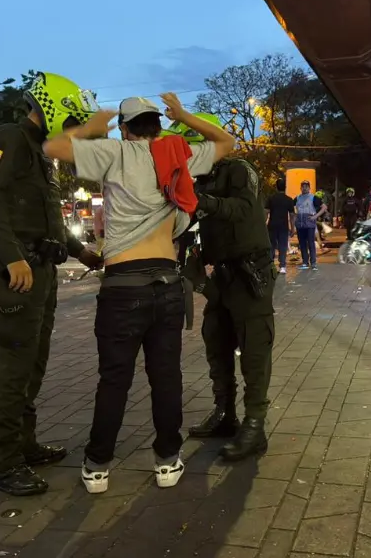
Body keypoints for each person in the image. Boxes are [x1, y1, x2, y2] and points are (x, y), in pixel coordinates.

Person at [43, 93, 235, 493]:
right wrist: (185, 116)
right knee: (166, 377)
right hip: (166, 282)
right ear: (159, 126)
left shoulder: (115, 153)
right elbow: (225, 143)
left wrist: (94, 129)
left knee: (114, 380)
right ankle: (167, 461)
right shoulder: (178, 154)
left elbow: (53, 147)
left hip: (122, 287)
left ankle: (97, 467)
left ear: (127, 128)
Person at [0, 71, 104, 497]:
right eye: (71, 123)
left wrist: (82, 253)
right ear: (52, 108)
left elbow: (47, 220)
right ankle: (4, 463)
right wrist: (12, 257)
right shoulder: (9, 137)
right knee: (12, 370)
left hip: (41, 271)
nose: (71, 133)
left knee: (33, 364)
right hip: (17, 274)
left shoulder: (39, 152)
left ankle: (24, 445)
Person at [165, 115, 276, 462]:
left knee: (254, 351)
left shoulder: (239, 170)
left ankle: (255, 425)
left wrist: (201, 201)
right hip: (220, 277)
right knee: (217, 343)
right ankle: (225, 414)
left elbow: (242, 209)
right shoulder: (197, 178)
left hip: (250, 274)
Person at [264, 179, 295, 274]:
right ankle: (282, 266)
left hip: (272, 225)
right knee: (283, 246)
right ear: (285, 187)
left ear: (276, 187)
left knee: (271, 246)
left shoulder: (271, 198)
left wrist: (264, 223)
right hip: (283, 226)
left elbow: (266, 212)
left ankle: (271, 265)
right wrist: (292, 228)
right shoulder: (289, 200)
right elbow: (292, 215)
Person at [294, 181, 327, 270]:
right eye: (303, 186)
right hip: (300, 224)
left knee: (311, 243)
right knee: (302, 243)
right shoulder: (297, 198)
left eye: (306, 186)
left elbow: (324, 207)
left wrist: (315, 216)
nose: (304, 188)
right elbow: (292, 210)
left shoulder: (314, 198)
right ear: (300, 188)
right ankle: (305, 262)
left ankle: (313, 263)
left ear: (309, 188)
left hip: (309, 224)